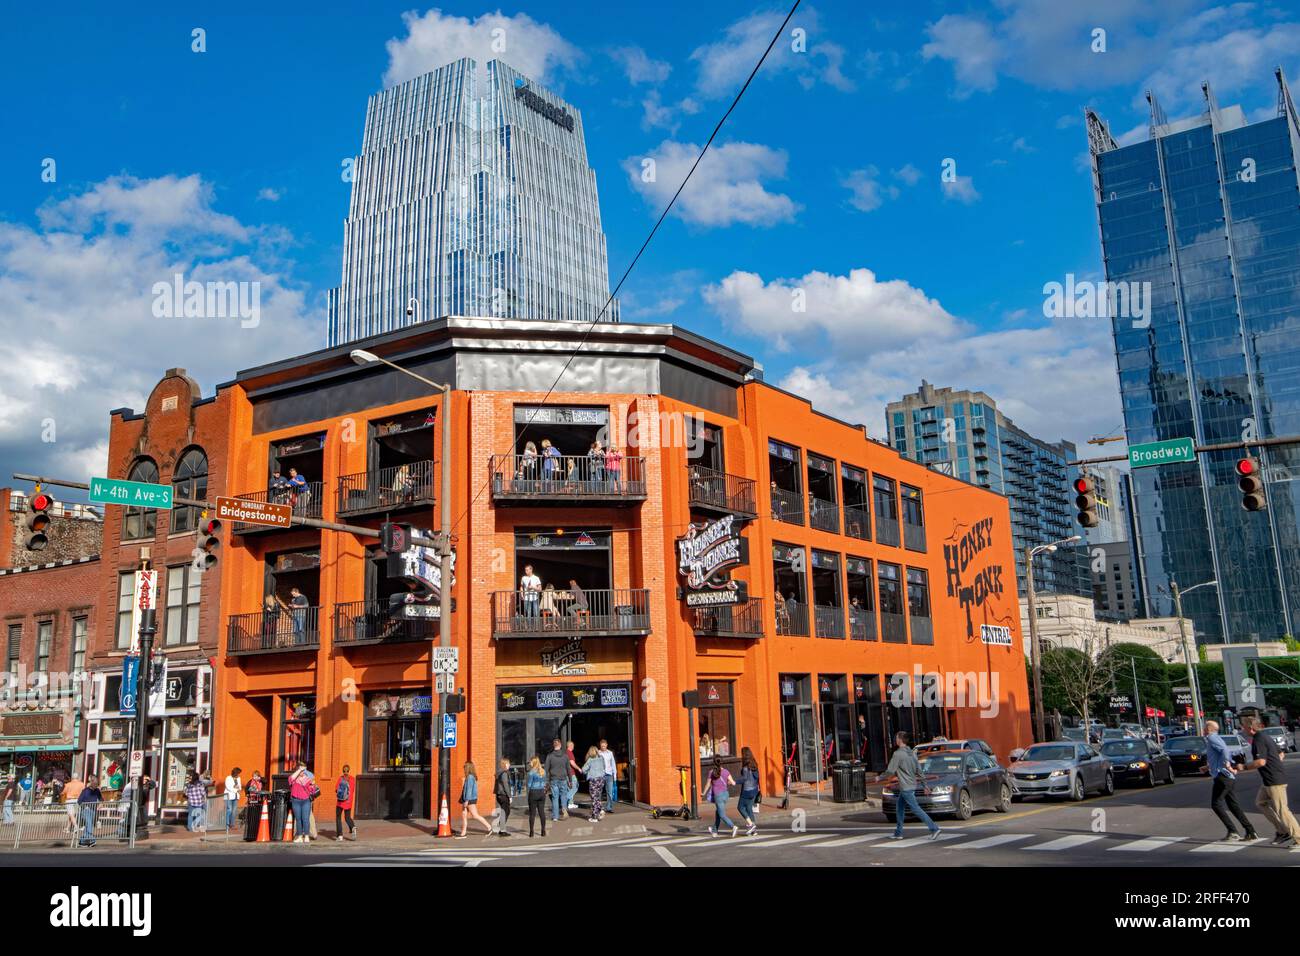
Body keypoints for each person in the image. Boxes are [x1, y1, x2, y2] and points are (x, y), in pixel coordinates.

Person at [1238, 712, 1300, 848]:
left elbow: (1260, 762)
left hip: (1274, 780)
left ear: (1250, 728)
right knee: (1261, 803)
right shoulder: (1265, 736)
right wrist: (1275, 763)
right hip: (1270, 779)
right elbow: (1281, 753)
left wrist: (1243, 766)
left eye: (1243, 727)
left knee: (1282, 810)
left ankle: (1298, 837)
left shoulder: (1259, 739)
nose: (1241, 729)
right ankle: (1283, 831)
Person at [1204, 720, 1259, 843]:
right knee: (1233, 806)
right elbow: (1220, 754)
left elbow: (1224, 751)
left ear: (1208, 728)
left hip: (1222, 776)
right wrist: (1208, 767)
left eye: (1204, 727)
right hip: (1226, 777)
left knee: (1216, 804)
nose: (1203, 729)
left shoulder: (1212, 737)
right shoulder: (1215, 738)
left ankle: (1233, 831)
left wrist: (1227, 764)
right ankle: (1250, 831)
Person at [883, 731, 941, 841]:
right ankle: (898, 833)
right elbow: (919, 771)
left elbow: (890, 771)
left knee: (916, 809)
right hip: (911, 785)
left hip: (905, 787)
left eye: (896, 738)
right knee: (899, 808)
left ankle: (934, 828)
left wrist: (879, 777)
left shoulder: (898, 754)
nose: (895, 739)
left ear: (900, 740)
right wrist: (925, 785)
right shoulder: (912, 753)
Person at [701, 757, 738, 837]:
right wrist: (727, 782)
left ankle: (733, 826)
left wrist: (703, 793)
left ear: (714, 763)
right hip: (726, 794)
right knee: (718, 812)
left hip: (718, 795)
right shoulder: (726, 771)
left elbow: (708, 784)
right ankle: (715, 831)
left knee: (721, 814)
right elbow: (733, 783)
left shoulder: (711, 772)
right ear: (722, 762)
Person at [457, 761, 492, 838]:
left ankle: (489, 827)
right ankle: (463, 832)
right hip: (466, 799)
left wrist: (466, 800)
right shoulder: (471, 777)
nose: (464, 769)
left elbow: (469, 790)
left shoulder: (470, 777)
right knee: (464, 815)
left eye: (465, 767)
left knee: (475, 815)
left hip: (469, 799)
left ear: (468, 768)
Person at [288, 762, 316, 843]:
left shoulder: (307, 779)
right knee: (298, 819)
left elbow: (312, 790)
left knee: (305, 819)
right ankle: (300, 836)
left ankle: (306, 836)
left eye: (303, 770)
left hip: (306, 801)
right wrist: (299, 770)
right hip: (295, 800)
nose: (302, 772)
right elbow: (290, 779)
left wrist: (313, 786)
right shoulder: (294, 779)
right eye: (301, 770)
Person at [544, 739, 571, 821]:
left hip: (554, 779)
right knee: (563, 796)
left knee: (555, 798)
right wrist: (570, 780)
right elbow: (568, 769)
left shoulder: (550, 756)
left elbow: (546, 769)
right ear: (560, 745)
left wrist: (546, 781)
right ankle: (564, 810)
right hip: (563, 778)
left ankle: (555, 816)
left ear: (553, 745)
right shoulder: (565, 756)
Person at [737, 746, 761, 835]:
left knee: (740, 807)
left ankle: (751, 825)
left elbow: (744, 779)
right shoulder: (754, 764)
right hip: (754, 790)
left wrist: (734, 782)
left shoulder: (745, 768)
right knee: (749, 808)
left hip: (746, 791)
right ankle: (754, 830)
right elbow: (757, 777)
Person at [582, 746, 606, 822]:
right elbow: (604, 767)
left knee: (594, 798)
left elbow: (583, 770)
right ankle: (597, 813)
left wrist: (587, 772)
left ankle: (595, 816)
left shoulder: (590, 760)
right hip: (601, 779)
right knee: (598, 797)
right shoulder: (601, 758)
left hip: (594, 780)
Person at [526, 756, 548, 837]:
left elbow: (529, 785)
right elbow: (545, 783)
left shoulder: (531, 773)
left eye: (531, 762)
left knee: (532, 813)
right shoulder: (543, 771)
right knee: (542, 812)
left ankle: (531, 832)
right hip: (542, 792)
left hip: (533, 792)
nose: (530, 763)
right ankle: (543, 831)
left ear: (534, 762)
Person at [77, 775, 102, 848]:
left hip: (93, 811)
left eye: (97, 785)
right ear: (92, 783)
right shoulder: (85, 791)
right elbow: (79, 801)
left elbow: (101, 799)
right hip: (86, 810)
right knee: (89, 824)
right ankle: (92, 840)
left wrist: (101, 804)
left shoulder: (97, 791)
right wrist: (85, 805)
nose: (96, 786)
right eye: (95, 785)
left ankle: (82, 841)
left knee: (88, 826)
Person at [335, 764, 356, 841]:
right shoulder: (352, 779)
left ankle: (340, 836)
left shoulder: (340, 779)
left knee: (338, 818)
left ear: (343, 771)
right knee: (347, 817)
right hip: (348, 802)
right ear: (349, 770)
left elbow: (336, 790)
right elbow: (353, 790)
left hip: (340, 802)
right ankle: (353, 827)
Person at [493, 759, 512, 837]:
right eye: (508, 764)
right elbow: (506, 785)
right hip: (503, 795)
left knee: (505, 812)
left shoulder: (499, 772)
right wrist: (509, 796)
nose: (509, 765)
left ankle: (501, 827)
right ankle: (502, 829)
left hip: (499, 795)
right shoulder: (504, 773)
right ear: (505, 764)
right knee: (506, 812)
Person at [599, 738, 617, 811]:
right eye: (602, 746)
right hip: (601, 774)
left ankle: (609, 807)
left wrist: (614, 775)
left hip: (609, 775)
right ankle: (599, 807)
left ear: (606, 745)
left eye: (604, 746)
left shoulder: (610, 753)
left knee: (609, 792)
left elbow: (613, 764)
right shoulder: (598, 753)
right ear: (600, 746)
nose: (603, 747)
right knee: (599, 791)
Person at [564, 741, 582, 811]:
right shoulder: (569, 752)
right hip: (571, 773)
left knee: (570, 788)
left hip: (566, 773)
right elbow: (572, 763)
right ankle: (565, 799)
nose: (573, 747)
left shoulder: (565, 752)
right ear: (571, 746)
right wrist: (578, 768)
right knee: (576, 786)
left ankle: (570, 803)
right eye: (573, 745)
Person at [223, 767, 242, 831]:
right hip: (228, 796)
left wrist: (237, 789)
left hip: (236, 796)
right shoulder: (228, 778)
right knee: (229, 810)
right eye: (238, 773)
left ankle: (232, 824)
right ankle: (226, 824)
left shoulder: (238, 778)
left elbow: (240, 787)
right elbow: (228, 787)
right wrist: (236, 789)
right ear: (235, 773)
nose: (238, 775)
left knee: (234, 811)